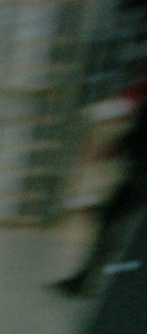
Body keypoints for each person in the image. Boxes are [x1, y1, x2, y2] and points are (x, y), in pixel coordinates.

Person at [53, 83, 146, 297]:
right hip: (136, 177)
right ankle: (87, 281)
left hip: (139, 180)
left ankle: (90, 282)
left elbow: (137, 134)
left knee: (116, 230)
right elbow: (136, 133)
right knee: (111, 228)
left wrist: (112, 150)